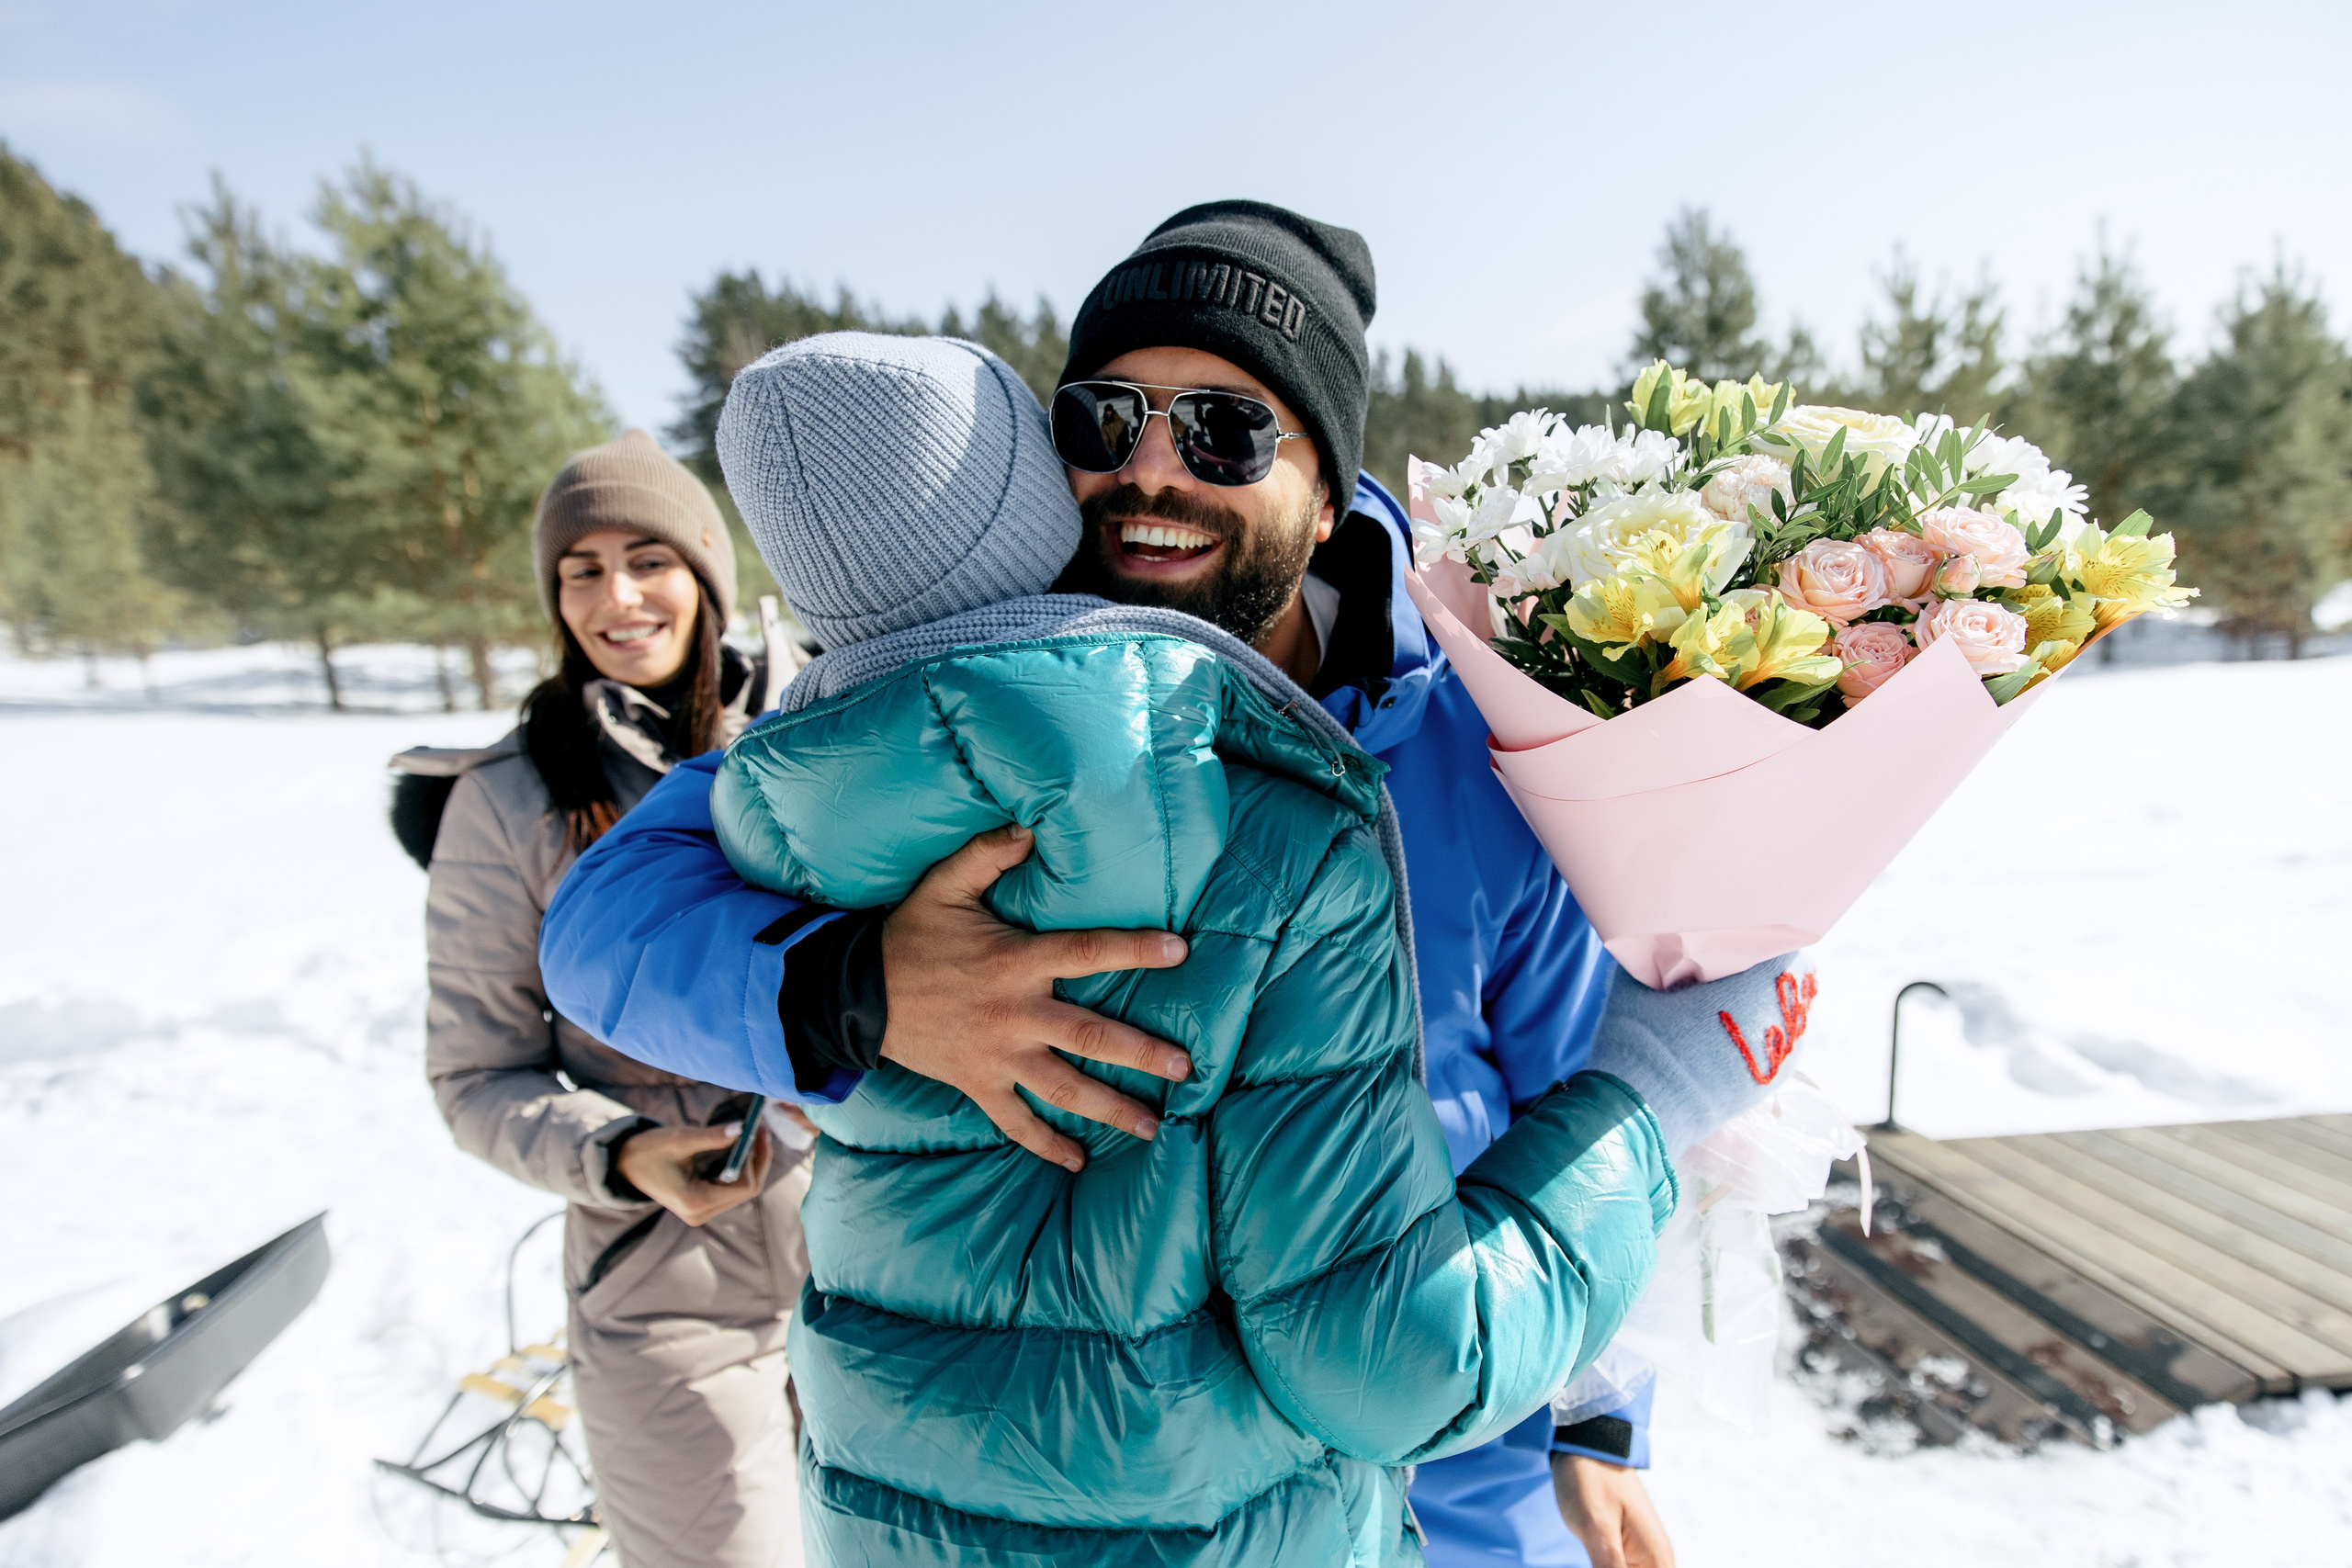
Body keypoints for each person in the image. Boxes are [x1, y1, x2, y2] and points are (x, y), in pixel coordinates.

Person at [540, 204, 1678, 1566]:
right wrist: (858, 987)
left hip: (1466, 1424)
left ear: (1327, 493)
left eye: (1227, 431)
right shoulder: (971, 699)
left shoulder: (1491, 738)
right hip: (1116, 1474)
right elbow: (605, 918)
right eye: (1103, 417)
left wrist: (1602, 1412)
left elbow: (1574, 1084)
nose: (1151, 471)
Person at [390, 429, 811, 1568]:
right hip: (665, 1294)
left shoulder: (815, 735)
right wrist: (622, 1154)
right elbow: (477, 1077)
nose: (615, 595)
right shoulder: (507, 799)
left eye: (648, 558)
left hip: (870, 1260)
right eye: (581, 568)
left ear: (708, 577)